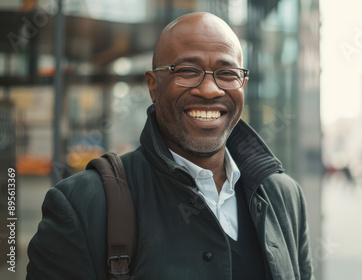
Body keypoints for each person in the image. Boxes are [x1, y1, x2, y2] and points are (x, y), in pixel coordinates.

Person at [27, 12, 314, 280]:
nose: (210, 89)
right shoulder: (82, 205)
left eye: (227, 73)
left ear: (243, 84)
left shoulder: (284, 197)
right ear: (153, 85)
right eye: (188, 71)